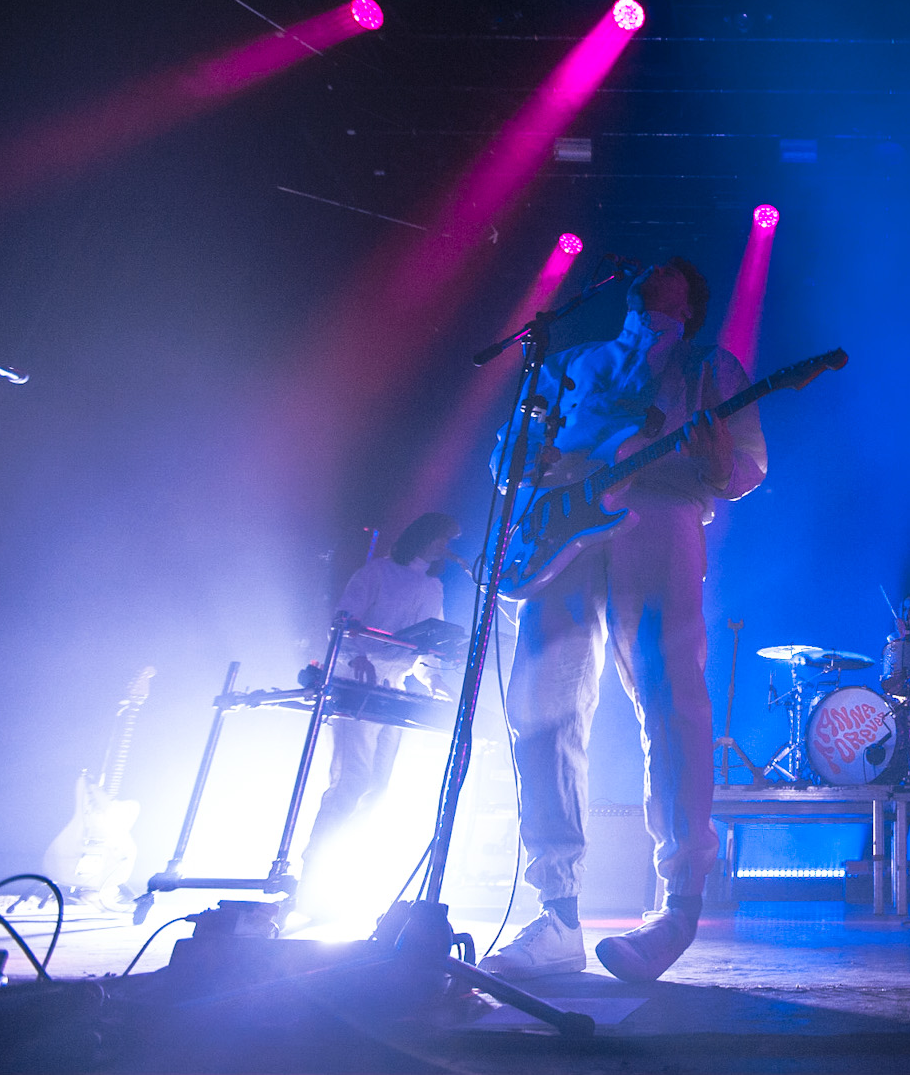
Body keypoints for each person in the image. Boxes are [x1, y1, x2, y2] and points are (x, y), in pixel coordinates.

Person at [484, 258, 767, 983]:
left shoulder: (708, 368)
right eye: (645, 269)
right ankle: (556, 913)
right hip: (559, 531)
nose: (648, 276)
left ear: (691, 301)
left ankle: (678, 905)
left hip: (659, 516)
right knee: (541, 709)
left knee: (670, 700)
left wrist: (718, 460)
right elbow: (508, 452)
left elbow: (747, 468)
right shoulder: (573, 361)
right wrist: (525, 461)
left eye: (668, 273)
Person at [303, 512, 461, 872]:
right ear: (423, 535)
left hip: (395, 688)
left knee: (378, 788)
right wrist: (356, 655)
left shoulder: (433, 587)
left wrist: (434, 681)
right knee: (351, 779)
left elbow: (429, 642)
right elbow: (344, 621)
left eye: (449, 541)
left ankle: (339, 866)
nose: (445, 546)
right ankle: (313, 864)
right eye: (441, 537)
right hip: (359, 680)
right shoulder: (377, 572)